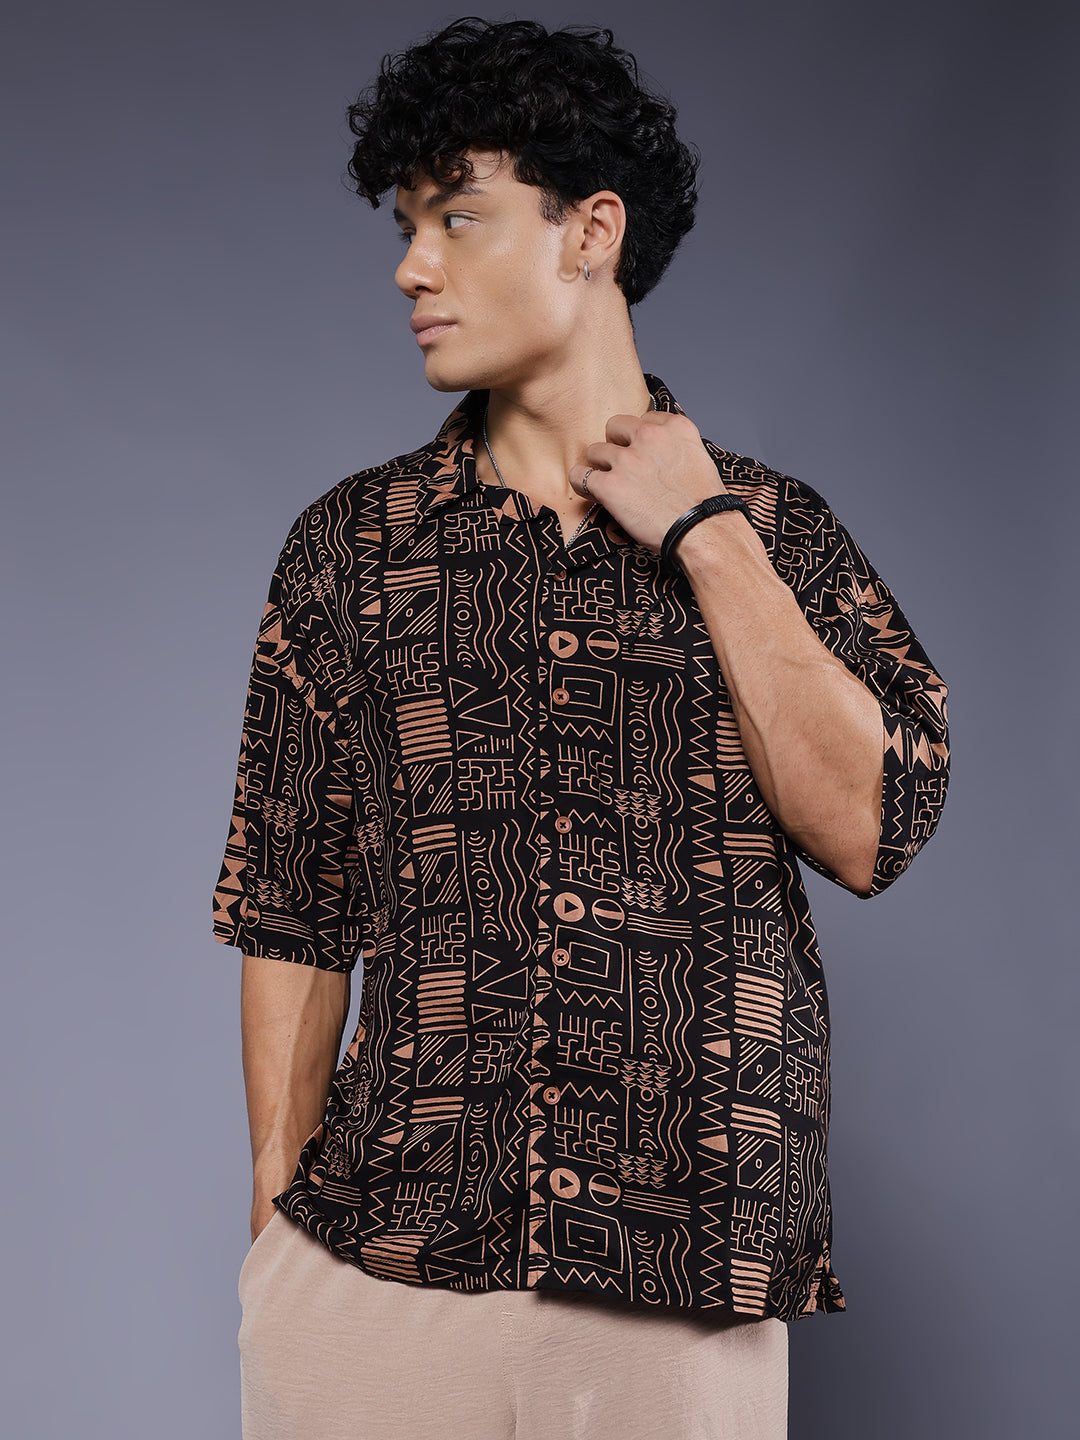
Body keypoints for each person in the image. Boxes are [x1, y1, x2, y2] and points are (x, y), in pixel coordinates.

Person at [212, 17, 950, 1440]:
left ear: (590, 232)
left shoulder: (779, 530)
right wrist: (273, 1226)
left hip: (679, 1267)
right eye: (407, 226)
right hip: (378, 1257)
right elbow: (290, 900)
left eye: (458, 216)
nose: (411, 266)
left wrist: (706, 534)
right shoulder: (351, 547)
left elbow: (872, 828)